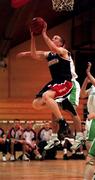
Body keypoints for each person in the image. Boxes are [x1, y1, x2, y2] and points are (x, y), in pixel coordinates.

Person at [17, 21, 82, 151]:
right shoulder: (50, 54)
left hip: (66, 82)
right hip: (55, 83)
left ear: (62, 44)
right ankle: (56, 132)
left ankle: (71, 129)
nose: (53, 39)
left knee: (62, 104)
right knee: (36, 104)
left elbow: (53, 48)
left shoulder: (64, 51)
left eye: (56, 38)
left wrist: (44, 33)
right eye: (53, 38)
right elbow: (35, 54)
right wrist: (33, 38)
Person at [80, 62, 95, 180]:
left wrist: (88, 73)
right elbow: (81, 94)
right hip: (91, 120)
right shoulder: (93, 88)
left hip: (94, 118)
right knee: (89, 144)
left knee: (91, 153)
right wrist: (86, 80)